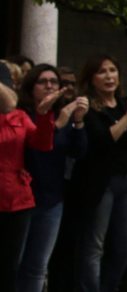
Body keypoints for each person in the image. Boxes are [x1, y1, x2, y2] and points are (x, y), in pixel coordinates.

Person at [71, 55, 127, 292]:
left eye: (112, 70)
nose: (109, 76)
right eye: (102, 72)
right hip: (99, 183)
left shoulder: (125, 103)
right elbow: (104, 140)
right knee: (94, 246)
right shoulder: (87, 107)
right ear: (91, 79)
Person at [17, 65, 88, 292]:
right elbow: (34, 149)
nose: (49, 86)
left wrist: (77, 122)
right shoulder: (22, 115)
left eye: (54, 82)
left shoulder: (63, 115)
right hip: (23, 198)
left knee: (38, 266)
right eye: (43, 81)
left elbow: (78, 151)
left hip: (52, 199)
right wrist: (56, 125)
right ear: (31, 87)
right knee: (15, 262)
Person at [0, 64, 57, 285]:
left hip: (16, 198)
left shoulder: (19, 116)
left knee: (9, 265)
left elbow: (42, 143)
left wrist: (43, 116)